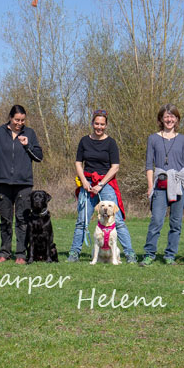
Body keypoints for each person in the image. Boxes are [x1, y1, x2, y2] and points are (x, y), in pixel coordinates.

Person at [67, 110, 137, 264]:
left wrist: (101, 184)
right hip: (87, 184)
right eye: (97, 123)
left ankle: (130, 253)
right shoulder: (84, 141)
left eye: (102, 124)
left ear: (106, 125)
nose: (99, 127)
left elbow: (115, 167)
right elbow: (78, 163)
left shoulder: (111, 143)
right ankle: (74, 252)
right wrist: (84, 181)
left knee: (117, 220)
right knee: (82, 221)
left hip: (105, 183)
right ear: (92, 123)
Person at [0, 104, 43, 264]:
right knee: (5, 220)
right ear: (10, 117)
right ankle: (4, 252)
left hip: (24, 184)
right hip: (3, 183)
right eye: (17, 120)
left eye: (22, 120)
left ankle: (21, 254)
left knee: (22, 219)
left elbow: (39, 157)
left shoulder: (30, 133)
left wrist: (27, 145)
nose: (19, 123)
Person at [142, 104, 184, 266]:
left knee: (176, 223)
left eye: (172, 117)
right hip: (160, 184)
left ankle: (170, 255)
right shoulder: (153, 138)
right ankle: (149, 254)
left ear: (177, 119)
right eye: (166, 116)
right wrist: (150, 185)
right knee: (156, 220)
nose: (169, 119)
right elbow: (149, 164)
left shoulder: (183, 139)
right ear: (161, 119)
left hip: (179, 184)